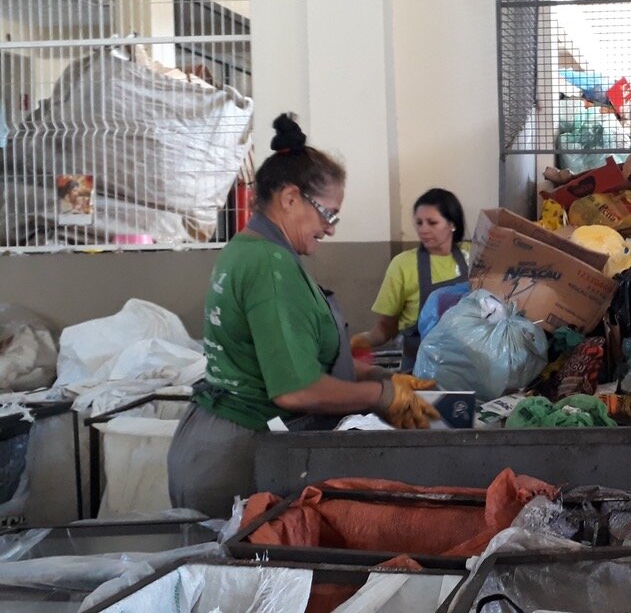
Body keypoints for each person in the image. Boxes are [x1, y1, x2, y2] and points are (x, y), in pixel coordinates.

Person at [168, 113, 438, 517]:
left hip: (211, 442)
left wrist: (379, 377)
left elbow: (283, 362)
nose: (330, 229)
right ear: (291, 198)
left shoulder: (250, 248)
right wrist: (381, 396)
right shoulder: (270, 267)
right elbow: (294, 390)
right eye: (328, 214)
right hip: (235, 458)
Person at [351, 188, 470, 370]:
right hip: (417, 368)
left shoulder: (474, 257)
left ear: (452, 223)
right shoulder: (403, 264)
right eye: (419, 223)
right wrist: (363, 340)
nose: (423, 230)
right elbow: (386, 328)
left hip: (468, 367)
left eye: (432, 222)